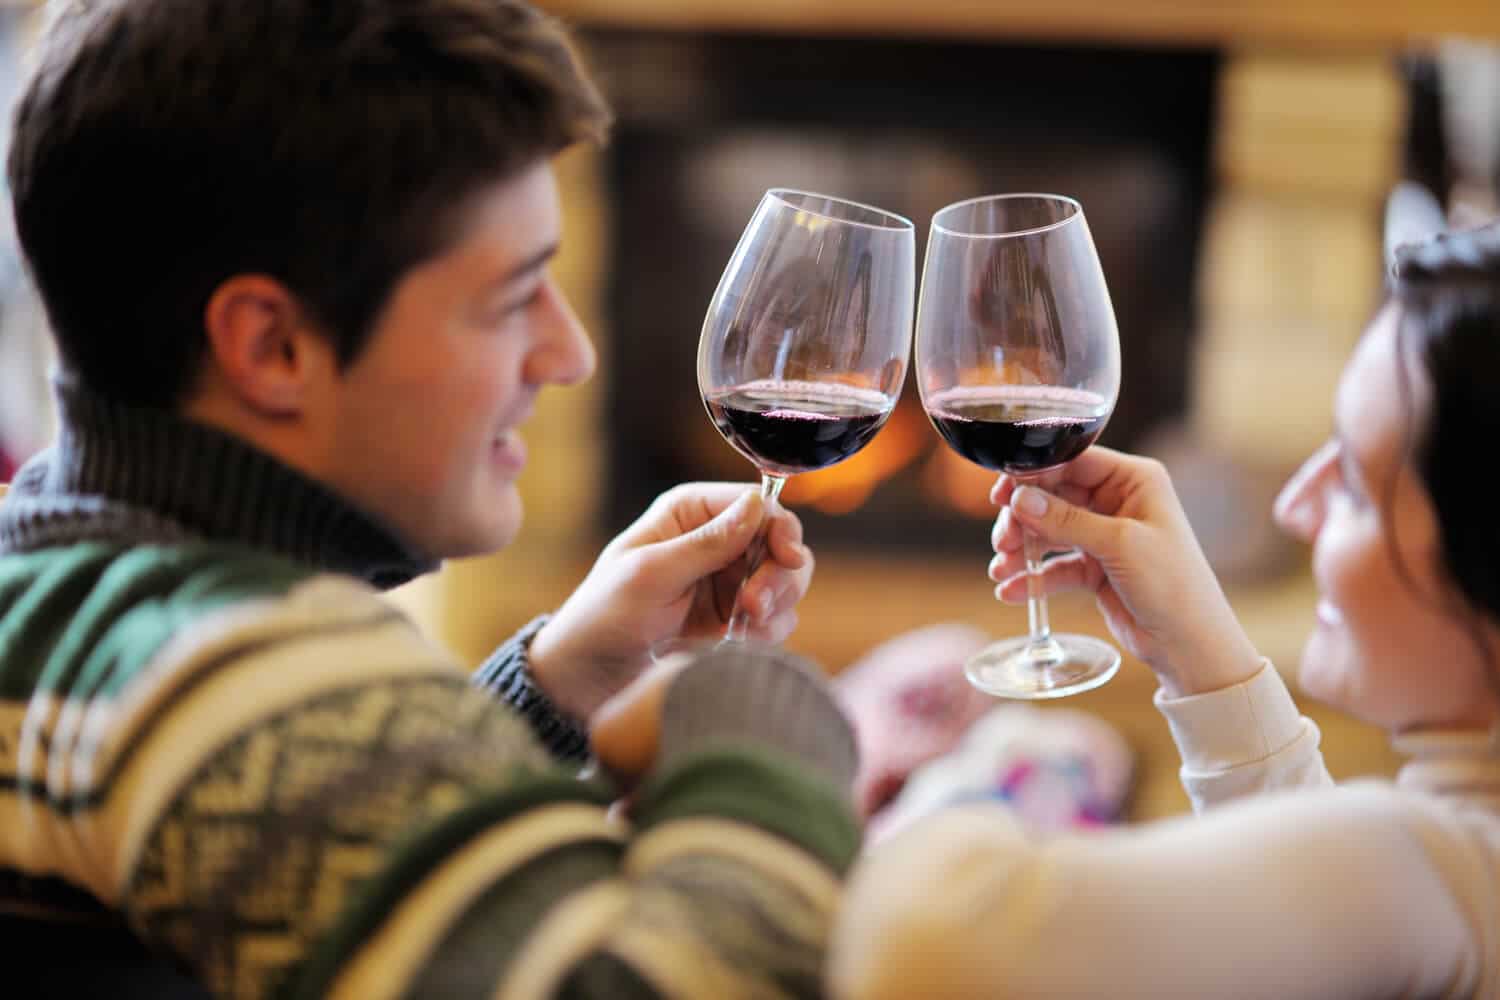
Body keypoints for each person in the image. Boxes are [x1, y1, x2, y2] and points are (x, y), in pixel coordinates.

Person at [0, 1, 862, 996]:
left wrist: (555, 682)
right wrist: (754, 729)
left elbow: (303, 842)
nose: (570, 354)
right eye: (512, 299)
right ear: (273, 347)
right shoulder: (245, 674)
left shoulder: (74, 603)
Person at [827, 220, 1500, 997]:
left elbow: (918, 944)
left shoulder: (1422, 869)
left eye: (1351, 479)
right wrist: (1197, 647)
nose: (1293, 505)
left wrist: (946, 790)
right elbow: (1337, 909)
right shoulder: (1450, 877)